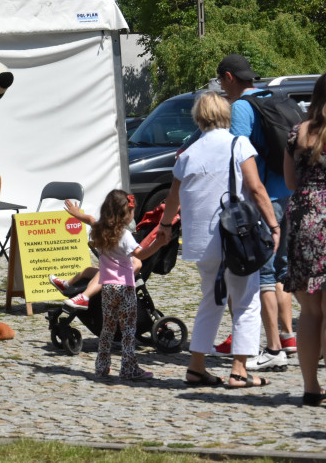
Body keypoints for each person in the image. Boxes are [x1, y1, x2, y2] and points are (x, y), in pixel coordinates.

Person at [158, 92, 279, 388]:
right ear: (225, 114)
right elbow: (257, 188)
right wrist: (274, 226)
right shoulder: (239, 145)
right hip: (235, 238)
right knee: (246, 301)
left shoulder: (186, 155)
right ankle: (239, 370)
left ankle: (196, 367)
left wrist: (163, 226)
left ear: (199, 118)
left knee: (211, 301)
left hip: (201, 243)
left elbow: (173, 197)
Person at [216, 54, 295, 369]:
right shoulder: (273, 99)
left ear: (230, 77)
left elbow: (237, 155)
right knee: (281, 271)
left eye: (222, 81)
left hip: (263, 200)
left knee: (262, 273)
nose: (222, 88)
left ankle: (273, 350)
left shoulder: (240, 109)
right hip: (288, 193)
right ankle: (289, 339)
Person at [90, 189, 170, 381]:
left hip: (107, 288)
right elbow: (140, 255)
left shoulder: (99, 231)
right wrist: (158, 244)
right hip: (125, 287)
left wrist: (78, 214)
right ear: (124, 213)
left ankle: (101, 366)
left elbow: (90, 220)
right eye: (132, 211)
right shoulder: (124, 236)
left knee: (107, 328)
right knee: (127, 330)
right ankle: (128, 367)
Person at [282, 71, 326, 405]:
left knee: (310, 313)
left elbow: (291, 183)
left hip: (301, 218)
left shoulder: (296, 133)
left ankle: (311, 389)